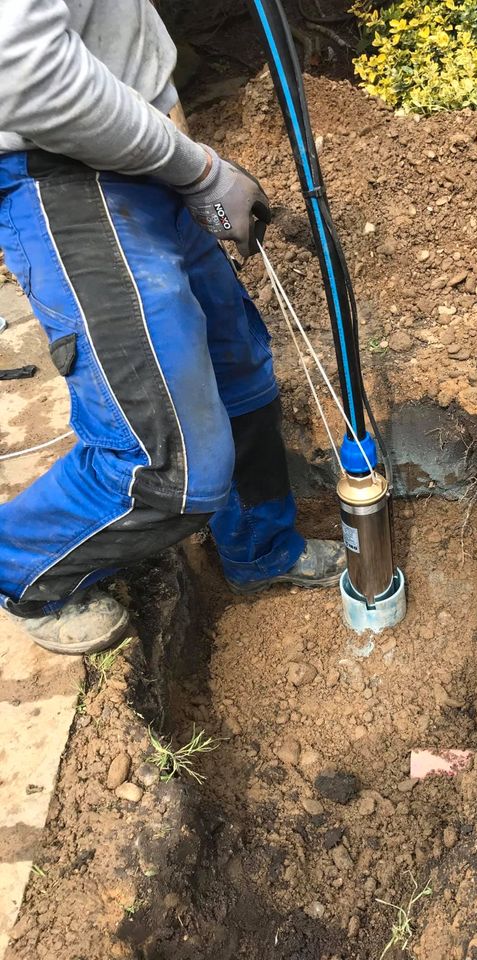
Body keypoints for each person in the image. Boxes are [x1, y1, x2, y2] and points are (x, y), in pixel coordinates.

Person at [0, 0, 345, 656]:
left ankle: (260, 551)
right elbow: (21, 70)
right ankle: (20, 567)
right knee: (171, 469)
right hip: (63, 173)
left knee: (239, 372)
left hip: (141, 152)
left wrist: (178, 152)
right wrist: (199, 170)